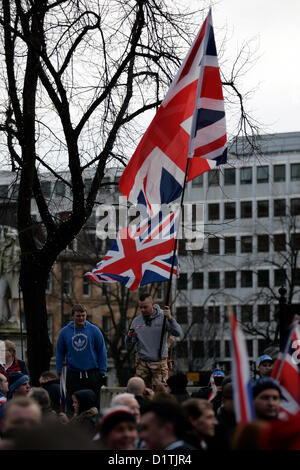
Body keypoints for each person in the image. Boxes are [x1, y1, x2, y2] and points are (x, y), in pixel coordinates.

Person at [56, 304, 107, 413]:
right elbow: (60, 352)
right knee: (72, 404)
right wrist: (59, 370)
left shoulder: (94, 330)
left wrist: (102, 371)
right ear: (73, 316)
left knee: (93, 404)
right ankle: (73, 426)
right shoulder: (64, 332)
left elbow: (101, 350)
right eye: (78, 316)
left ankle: (94, 425)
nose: (81, 318)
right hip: (73, 374)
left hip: (92, 373)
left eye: (83, 316)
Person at [126, 294, 183, 389]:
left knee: (160, 393)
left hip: (159, 362)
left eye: (145, 307)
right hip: (142, 363)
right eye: (141, 307)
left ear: (152, 304)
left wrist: (170, 318)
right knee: (141, 392)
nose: (142, 310)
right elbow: (128, 345)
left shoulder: (163, 317)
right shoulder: (137, 321)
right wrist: (129, 337)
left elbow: (178, 333)